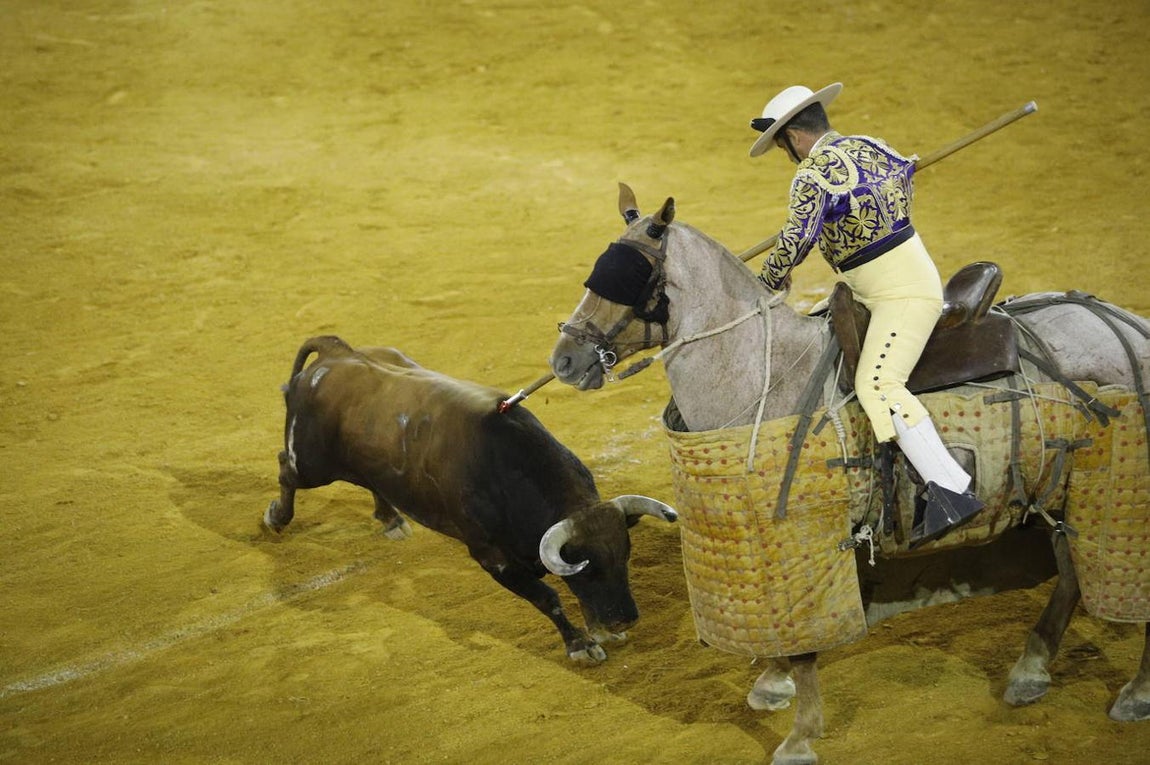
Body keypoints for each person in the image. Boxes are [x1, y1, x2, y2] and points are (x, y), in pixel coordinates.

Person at [748, 82, 983, 545]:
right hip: (891, 283)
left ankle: (951, 490)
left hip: (901, 299)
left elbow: (795, 242)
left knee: (878, 383)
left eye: (782, 146)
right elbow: (905, 179)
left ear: (794, 136)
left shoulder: (812, 176)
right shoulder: (875, 147)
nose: (787, 156)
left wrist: (766, 282)